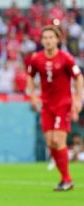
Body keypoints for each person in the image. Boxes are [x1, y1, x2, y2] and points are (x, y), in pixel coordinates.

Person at [27, 25, 83, 191]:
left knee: (59, 140)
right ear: (42, 41)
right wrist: (33, 95)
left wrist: (78, 100)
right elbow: (30, 77)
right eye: (45, 38)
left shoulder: (66, 58)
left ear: (57, 40)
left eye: (51, 37)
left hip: (63, 104)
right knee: (50, 141)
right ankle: (64, 178)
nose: (48, 40)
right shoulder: (36, 58)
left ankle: (67, 179)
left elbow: (79, 78)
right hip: (46, 105)